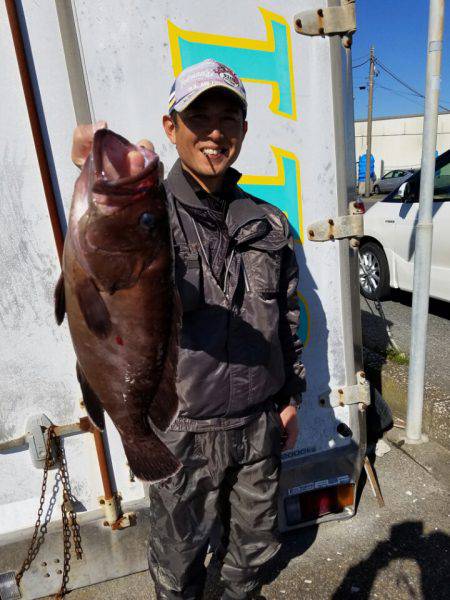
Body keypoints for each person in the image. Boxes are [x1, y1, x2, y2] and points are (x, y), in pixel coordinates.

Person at [71, 59, 306, 600]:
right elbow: (103, 244)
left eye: (229, 117)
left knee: (254, 555)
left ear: (245, 131)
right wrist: (87, 164)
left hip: (258, 424)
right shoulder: (146, 209)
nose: (215, 131)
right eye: (199, 117)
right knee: (177, 570)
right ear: (171, 126)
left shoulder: (270, 221)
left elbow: (287, 319)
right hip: (182, 430)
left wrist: (291, 396)